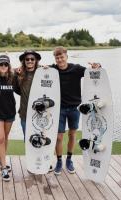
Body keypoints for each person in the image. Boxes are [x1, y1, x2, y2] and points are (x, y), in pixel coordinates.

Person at [49, 46, 101, 175]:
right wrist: (42, 68)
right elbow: (42, 75)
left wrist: (97, 66)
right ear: (55, 59)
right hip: (59, 109)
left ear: (66, 56)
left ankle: (69, 160)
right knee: (59, 137)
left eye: (61, 57)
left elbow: (92, 73)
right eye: (57, 57)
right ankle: (59, 161)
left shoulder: (76, 68)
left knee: (72, 135)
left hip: (74, 108)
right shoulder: (53, 70)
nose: (60, 59)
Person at [15, 50, 41, 140]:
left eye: (32, 59)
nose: (30, 61)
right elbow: (4, 69)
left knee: (42, 140)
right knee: (28, 140)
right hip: (25, 113)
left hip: (40, 113)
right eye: (27, 59)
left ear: (36, 60)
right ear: (24, 61)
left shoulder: (42, 72)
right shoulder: (18, 74)